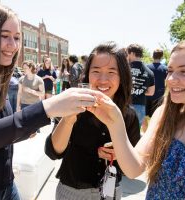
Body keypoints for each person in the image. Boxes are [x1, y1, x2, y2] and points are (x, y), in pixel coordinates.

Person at [0, 3, 99, 199]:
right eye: (4, 36)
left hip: (7, 187)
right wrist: (46, 108)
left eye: (17, 38)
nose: (12, 45)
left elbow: (1, 133)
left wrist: (30, 127)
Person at [88, 36, 185, 199]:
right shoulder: (164, 115)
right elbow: (133, 169)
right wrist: (114, 122)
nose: (171, 79)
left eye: (184, 71)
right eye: (170, 71)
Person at [45, 42, 140, 200]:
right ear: (87, 74)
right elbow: (53, 152)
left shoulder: (129, 115)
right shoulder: (72, 104)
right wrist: (69, 118)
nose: (103, 79)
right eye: (96, 71)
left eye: (111, 72)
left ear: (122, 76)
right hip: (72, 191)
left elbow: (133, 163)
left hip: (110, 193)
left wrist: (120, 153)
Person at [127, 44, 155, 127]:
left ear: (132, 53)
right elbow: (151, 92)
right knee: (135, 133)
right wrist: (141, 90)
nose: (127, 56)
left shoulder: (125, 69)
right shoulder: (150, 72)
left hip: (125, 104)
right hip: (140, 106)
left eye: (128, 54)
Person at [146, 49, 167, 117]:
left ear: (153, 56)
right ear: (161, 57)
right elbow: (167, 82)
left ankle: (146, 128)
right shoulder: (165, 68)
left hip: (147, 96)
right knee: (157, 117)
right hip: (159, 96)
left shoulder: (147, 67)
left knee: (145, 117)